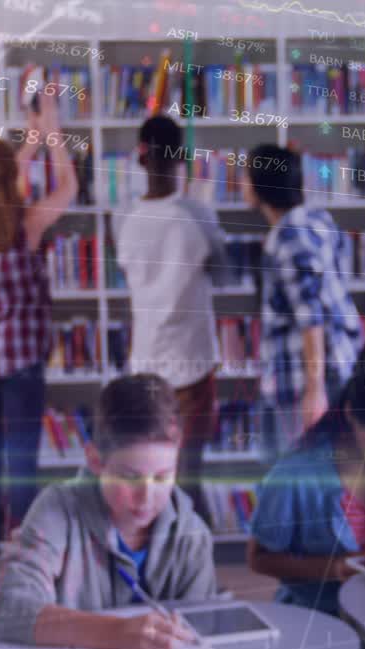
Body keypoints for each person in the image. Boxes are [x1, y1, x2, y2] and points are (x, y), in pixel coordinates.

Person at [0, 373, 218, 649]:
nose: (146, 497)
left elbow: (198, 642)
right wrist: (115, 634)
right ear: (95, 460)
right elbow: (4, 607)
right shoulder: (57, 510)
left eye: (162, 477)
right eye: (129, 478)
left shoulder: (193, 535)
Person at [0, 98, 77, 589]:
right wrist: (52, 138)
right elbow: (69, 187)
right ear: (11, 183)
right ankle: (26, 559)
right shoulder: (26, 225)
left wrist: (28, 142)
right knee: (22, 461)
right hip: (22, 362)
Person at [247, 334, 365, 616]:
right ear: (350, 414)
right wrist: (335, 568)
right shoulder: (297, 474)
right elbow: (258, 559)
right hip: (317, 617)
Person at [116, 113, 232, 527]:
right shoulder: (198, 216)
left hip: (145, 362)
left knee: (151, 474)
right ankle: (194, 564)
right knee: (190, 473)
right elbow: (224, 275)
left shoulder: (124, 219)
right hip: (193, 365)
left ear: (139, 159)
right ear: (182, 158)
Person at [242, 143, 364, 463]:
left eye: (246, 176)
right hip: (338, 365)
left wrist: (314, 389)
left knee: (292, 475)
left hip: (299, 380)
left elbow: (311, 317)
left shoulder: (289, 238)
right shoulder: (318, 221)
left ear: (261, 185)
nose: (240, 183)